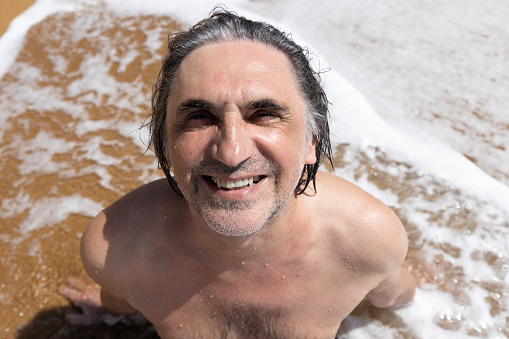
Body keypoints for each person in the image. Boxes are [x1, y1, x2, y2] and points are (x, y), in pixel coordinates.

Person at [60, 8, 422, 338]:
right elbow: (120, 300)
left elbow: (396, 295)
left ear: (311, 141)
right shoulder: (119, 252)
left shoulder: (367, 241)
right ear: (165, 146)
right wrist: (108, 307)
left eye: (264, 115)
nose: (231, 152)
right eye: (200, 117)